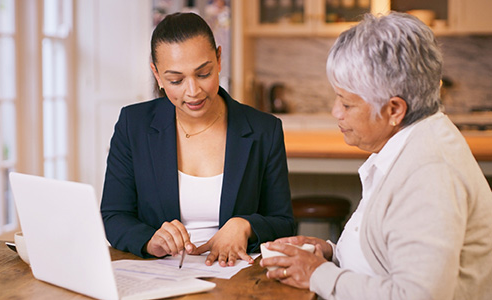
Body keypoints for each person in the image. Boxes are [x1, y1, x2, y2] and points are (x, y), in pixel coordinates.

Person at [260, 12, 492, 299]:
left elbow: (417, 295)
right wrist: (331, 254)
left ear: (394, 110)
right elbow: (388, 253)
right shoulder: (412, 143)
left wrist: (318, 274)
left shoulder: (430, 175)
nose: (336, 112)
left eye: (346, 103)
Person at [100, 12, 294, 267]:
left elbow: (283, 222)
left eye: (203, 74)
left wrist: (245, 225)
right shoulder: (132, 125)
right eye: (176, 80)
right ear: (157, 75)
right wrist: (150, 241)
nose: (193, 92)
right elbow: (114, 215)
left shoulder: (264, 130)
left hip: (235, 275)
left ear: (219, 59)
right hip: (159, 274)